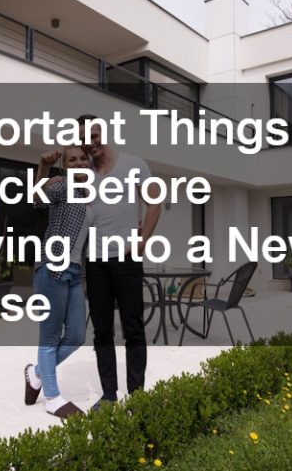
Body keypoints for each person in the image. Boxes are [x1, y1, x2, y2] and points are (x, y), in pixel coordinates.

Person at [80, 114, 162, 408]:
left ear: (104, 132)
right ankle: (109, 394)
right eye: (85, 140)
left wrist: (142, 241)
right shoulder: (83, 172)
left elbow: (155, 201)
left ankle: (136, 394)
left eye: (94, 135)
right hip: (95, 261)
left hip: (126, 260)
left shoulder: (134, 164)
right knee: (102, 331)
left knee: (133, 327)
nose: (91, 144)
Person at [24, 144, 93, 419]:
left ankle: (36, 373)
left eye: (82, 159)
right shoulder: (61, 185)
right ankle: (52, 396)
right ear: (65, 166)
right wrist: (43, 167)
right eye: (72, 160)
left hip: (75, 273)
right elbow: (36, 199)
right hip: (52, 269)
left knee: (76, 336)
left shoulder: (90, 194)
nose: (78, 163)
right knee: (50, 337)